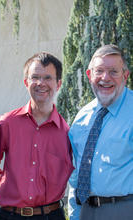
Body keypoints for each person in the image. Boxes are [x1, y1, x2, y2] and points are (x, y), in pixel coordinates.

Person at [0, 52, 74, 220]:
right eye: (34, 77)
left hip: (51, 215)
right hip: (9, 215)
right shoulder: (6, 123)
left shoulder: (67, 133)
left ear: (58, 84)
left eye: (47, 78)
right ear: (25, 82)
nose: (40, 83)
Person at [68, 44, 133, 220]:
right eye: (99, 71)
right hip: (86, 212)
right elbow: (76, 174)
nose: (105, 78)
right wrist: (75, 215)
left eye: (113, 71)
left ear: (125, 76)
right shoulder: (81, 117)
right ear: (90, 75)